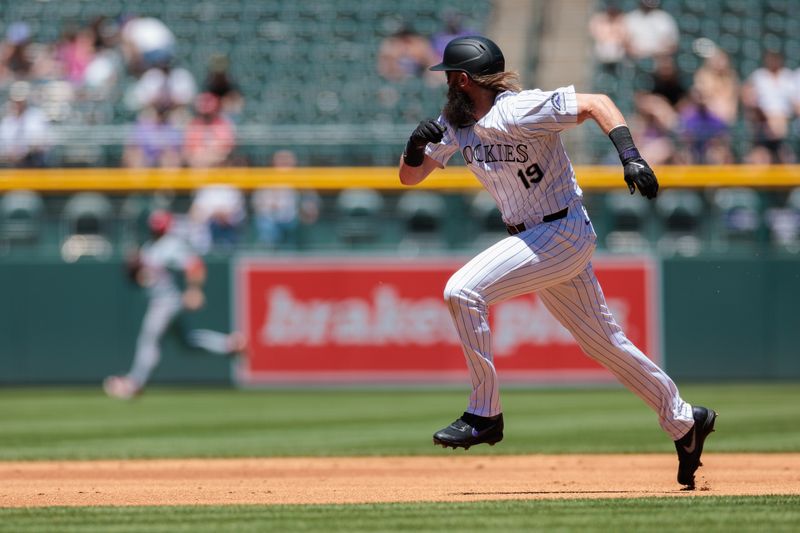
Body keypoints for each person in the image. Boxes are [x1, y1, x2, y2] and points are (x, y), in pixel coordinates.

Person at [398, 35, 716, 489]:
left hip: (561, 230)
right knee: (604, 343)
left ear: (463, 79)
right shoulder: (455, 123)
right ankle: (685, 421)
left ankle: (484, 413)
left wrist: (631, 156)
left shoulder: (519, 108)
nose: (445, 84)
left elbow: (598, 103)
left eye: (448, 76)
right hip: (536, 239)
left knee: (461, 290)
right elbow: (410, 178)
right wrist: (413, 148)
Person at [104, 209, 245, 399]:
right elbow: (141, 277)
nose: (157, 229)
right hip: (161, 300)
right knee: (187, 342)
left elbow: (195, 266)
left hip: (167, 302)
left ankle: (135, 382)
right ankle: (229, 345)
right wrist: (135, 269)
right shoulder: (150, 247)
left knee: (149, 339)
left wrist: (194, 290)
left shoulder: (172, 245)